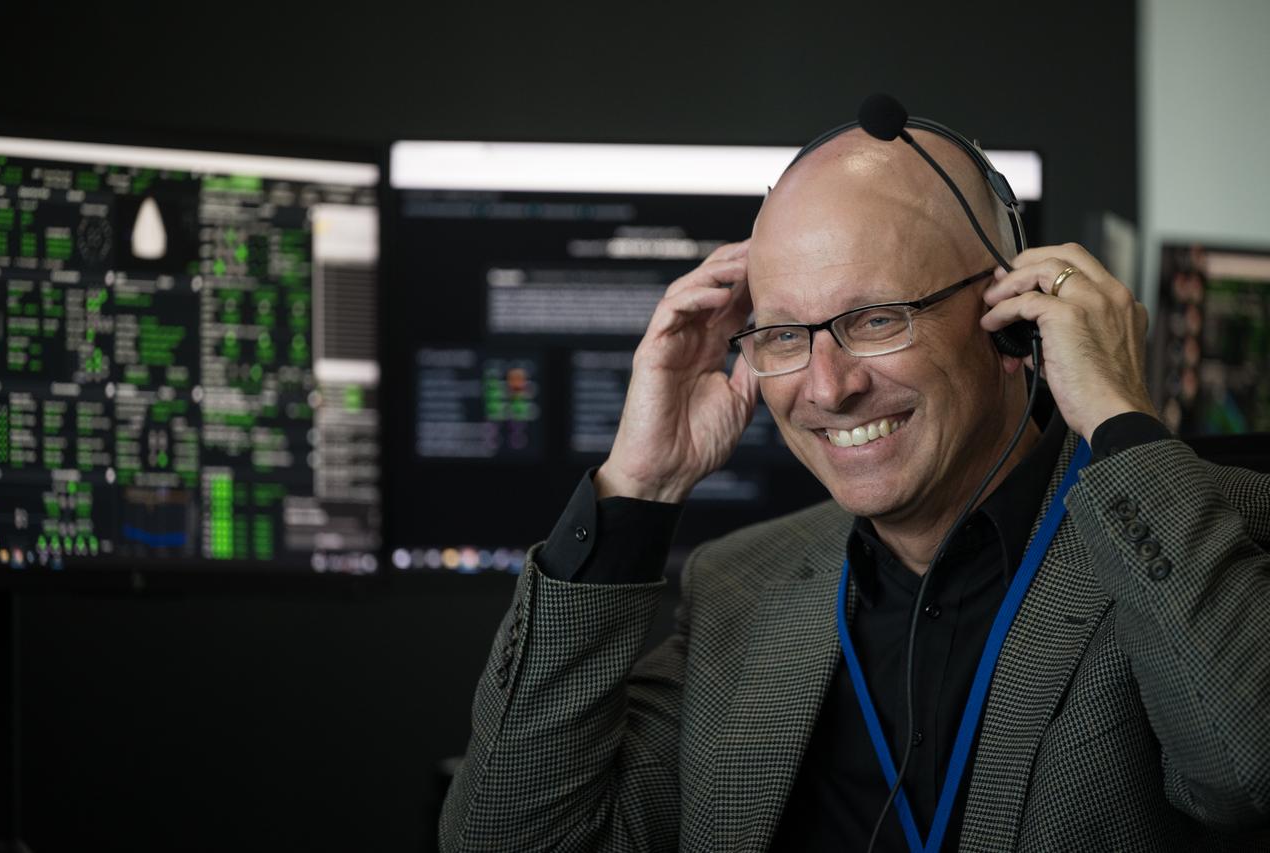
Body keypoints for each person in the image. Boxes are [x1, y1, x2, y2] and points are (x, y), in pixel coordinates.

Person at [438, 124, 1270, 852]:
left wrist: (1121, 420)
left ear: (1013, 315)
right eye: (783, 334)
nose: (828, 389)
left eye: (876, 319)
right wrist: (639, 486)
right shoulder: (740, 586)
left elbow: (1248, 775)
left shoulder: (1216, 536)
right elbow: (507, 835)